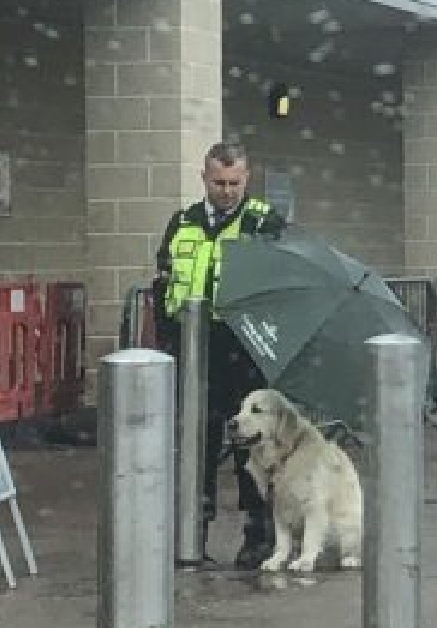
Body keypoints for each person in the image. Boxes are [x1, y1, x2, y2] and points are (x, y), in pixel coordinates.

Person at [153, 141, 286, 570]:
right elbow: (163, 283)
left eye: (234, 183)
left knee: (251, 447)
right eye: (218, 183)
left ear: (246, 179)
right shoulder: (182, 223)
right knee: (196, 446)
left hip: (243, 350)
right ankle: (192, 535)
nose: (227, 191)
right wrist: (165, 344)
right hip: (192, 349)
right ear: (205, 178)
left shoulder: (263, 223)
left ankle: (257, 535)